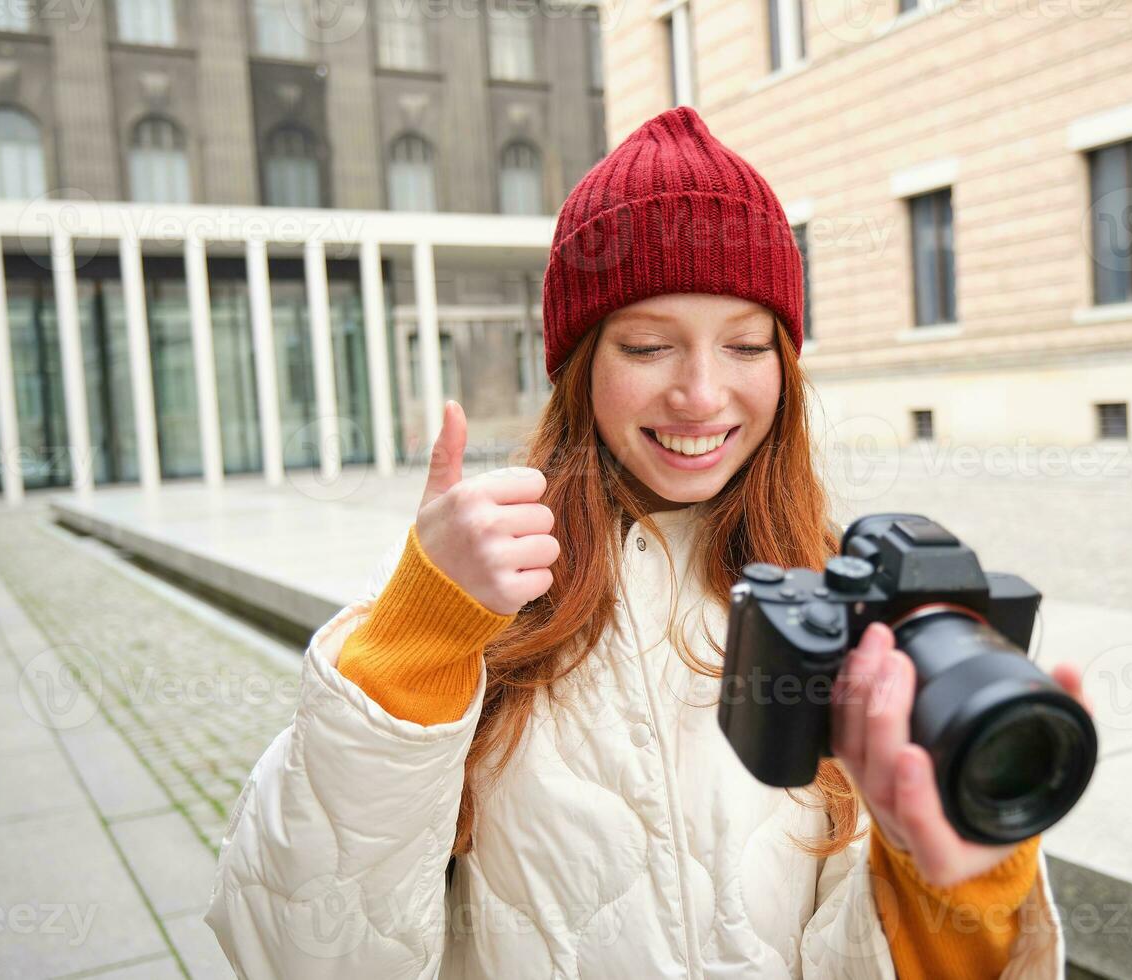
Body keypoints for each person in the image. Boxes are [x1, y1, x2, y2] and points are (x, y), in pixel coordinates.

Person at [206, 106, 1082, 978]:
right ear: (580, 363)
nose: (701, 394)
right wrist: (417, 637)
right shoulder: (470, 602)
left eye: (745, 344)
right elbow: (298, 951)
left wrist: (951, 894)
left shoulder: (835, 600)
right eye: (650, 345)